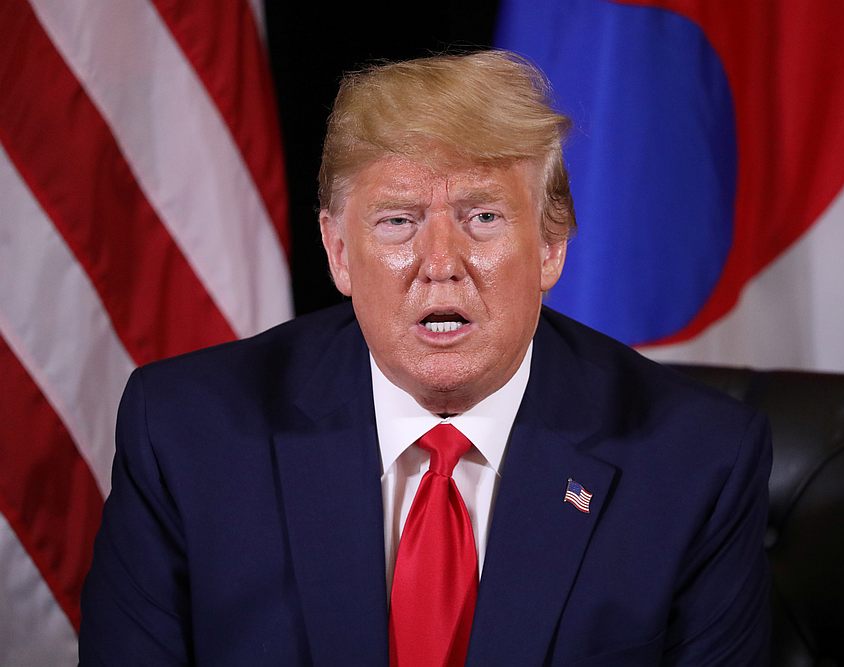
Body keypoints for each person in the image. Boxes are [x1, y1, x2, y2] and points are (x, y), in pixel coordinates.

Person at [80, 50, 772, 665]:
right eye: (399, 221)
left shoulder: (696, 459)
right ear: (339, 251)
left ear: (552, 246)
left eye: (483, 217)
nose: (441, 265)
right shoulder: (186, 433)